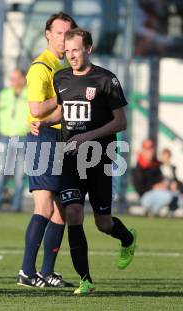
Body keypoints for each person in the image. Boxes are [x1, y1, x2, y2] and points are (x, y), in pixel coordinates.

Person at [36, 27, 137, 295]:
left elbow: (121, 122)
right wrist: (44, 121)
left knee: (103, 223)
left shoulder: (107, 80)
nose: (71, 55)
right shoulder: (61, 77)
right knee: (72, 214)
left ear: (88, 49)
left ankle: (127, 238)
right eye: (67, 51)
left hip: (101, 159)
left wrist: (88, 137)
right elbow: (63, 110)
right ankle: (86, 280)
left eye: (76, 50)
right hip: (70, 158)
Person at [17, 12, 77, 289]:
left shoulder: (64, 66)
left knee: (61, 211)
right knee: (43, 206)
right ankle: (26, 272)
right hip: (44, 140)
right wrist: (66, 93)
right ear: (48, 34)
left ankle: (46, 272)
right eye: (60, 32)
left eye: (69, 32)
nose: (65, 38)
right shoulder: (41, 66)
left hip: (62, 140)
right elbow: (36, 110)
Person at [0, 68, 29, 212]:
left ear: (23, 79)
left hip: (23, 136)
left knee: (20, 175)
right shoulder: (4, 94)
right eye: (12, 78)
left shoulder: (30, 94)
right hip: (5, 136)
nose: (13, 82)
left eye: (16, 78)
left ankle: (16, 205)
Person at [133, 139, 179, 215]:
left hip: (160, 193)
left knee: (177, 197)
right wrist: (154, 187)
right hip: (146, 197)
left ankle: (168, 215)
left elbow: (166, 177)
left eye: (151, 149)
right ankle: (152, 212)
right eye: (147, 149)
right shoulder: (139, 166)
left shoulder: (156, 164)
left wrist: (173, 184)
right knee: (167, 196)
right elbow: (139, 188)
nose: (150, 151)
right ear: (143, 150)